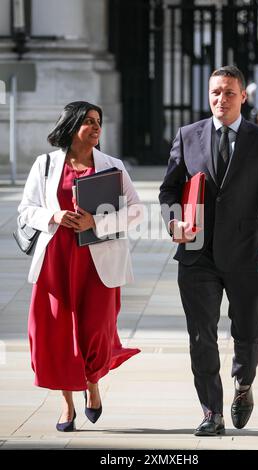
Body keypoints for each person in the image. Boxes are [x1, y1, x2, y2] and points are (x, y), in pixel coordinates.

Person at [159, 66, 258, 436]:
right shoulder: (187, 136)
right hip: (197, 253)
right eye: (216, 92)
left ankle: (243, 385)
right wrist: (173, 223)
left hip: (249, 254)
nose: (221, 99)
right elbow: (168, 191)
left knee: (249, 330)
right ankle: (211, 411)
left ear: (243, 97)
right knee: (201, 335)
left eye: (229, 93)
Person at [18, 101, 144, 432]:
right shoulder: (45, 165)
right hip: (56, 261)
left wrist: (97, 222)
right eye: (89, 121)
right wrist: (54, 216)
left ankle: (92, 385)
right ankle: (66, 405)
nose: (96, 126)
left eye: (98, 121)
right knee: (56, 334)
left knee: (96, 332)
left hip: (98, 262)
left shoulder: (112, 165)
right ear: (72, 126)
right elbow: (27, 209)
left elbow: (136, 210)